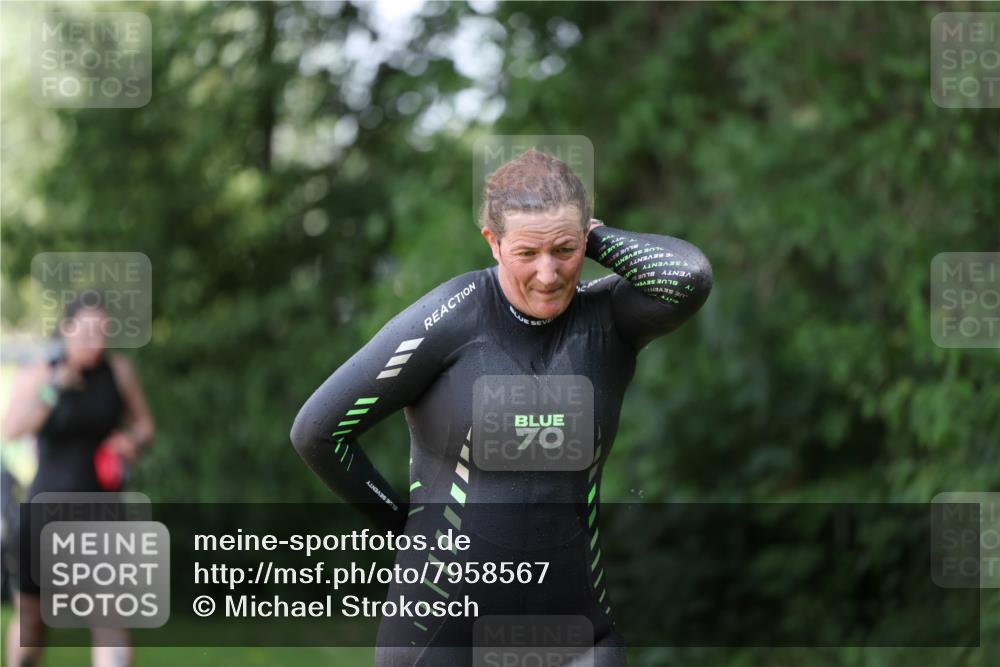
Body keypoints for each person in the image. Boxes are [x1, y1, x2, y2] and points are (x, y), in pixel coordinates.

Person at [291, 148, 713, 666]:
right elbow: (318, 432)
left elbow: (689, 276)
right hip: (441, 633)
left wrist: (593, 234)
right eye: (527, 252)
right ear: (492, 242)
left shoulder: (609, 319)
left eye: (565, 249)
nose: (548, 273)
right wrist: (406, 526)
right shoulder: (452, 318)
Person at [3, 292, 155, 667]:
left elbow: (146, 427)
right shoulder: (43, 371)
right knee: (32, 622)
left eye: (102, 331)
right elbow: (11, 429)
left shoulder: (117, 371)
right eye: (87, 331)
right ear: (67, 330)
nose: (95, 340)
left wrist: (131, 441)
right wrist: (53, 388)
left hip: (101, 509)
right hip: (44, 511)